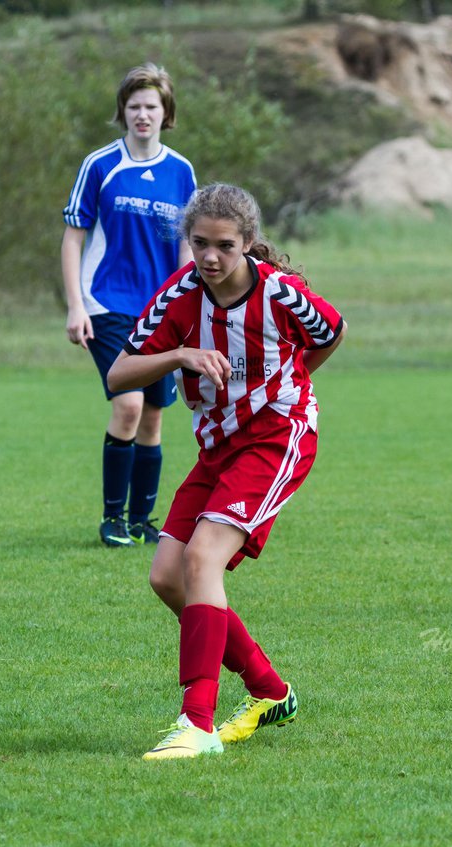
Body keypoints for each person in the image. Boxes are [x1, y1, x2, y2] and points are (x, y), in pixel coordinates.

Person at [108, 183, 345, 760]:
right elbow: (119, 375)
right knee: (168, 576)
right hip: (218, 446)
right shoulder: (180, 295)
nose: (209, 258)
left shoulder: (281, 294)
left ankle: (197, 723)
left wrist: (285, 386)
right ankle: (269, 690)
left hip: (277, 436)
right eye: (199, 244)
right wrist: (180, 356)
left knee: (202, 557)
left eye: (224, 246)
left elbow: (330, 332)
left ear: (247, 244)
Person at [61, 62, 197, 548]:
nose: (143, 115)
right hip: (108, 304)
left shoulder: (181, 172)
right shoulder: (100, 165)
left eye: (151, 107)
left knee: (155, 415)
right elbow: (73, 239)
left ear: (166, 113)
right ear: (123, 112)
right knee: (129, 404)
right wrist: (76, 305)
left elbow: (188, 248)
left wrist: (188, 308)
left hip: (160, 310)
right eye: (134, 106)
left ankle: (142, 520)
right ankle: (112, 519)